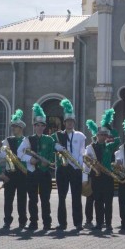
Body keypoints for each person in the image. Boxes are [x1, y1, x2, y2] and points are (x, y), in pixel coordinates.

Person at [53, 99, 87, 231]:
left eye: (72, 121)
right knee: (61, 197)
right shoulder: (57, 136)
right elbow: (53, 148)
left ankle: (78, 223)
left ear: (74, 122)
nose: (70, 123)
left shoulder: (80, 136)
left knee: (76, 197)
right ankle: (62, 223)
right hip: (62, 169)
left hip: (76, 168)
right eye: (67, 121)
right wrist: (56, 147)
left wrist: (77, 163)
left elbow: (82, 151)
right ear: (64, 122)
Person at [21, 103, 55, 231]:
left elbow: (52, 154)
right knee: (32, 199)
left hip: (45, 172)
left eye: (42, 125)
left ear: (45, 127)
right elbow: (20, 154)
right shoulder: (28, 139)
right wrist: (30, 159)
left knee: (45, 199)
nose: (40, 127)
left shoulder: (50, 140)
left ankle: (47, 223)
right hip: (33, 172)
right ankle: (33, 223)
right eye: (37, 125)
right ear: (34, 126)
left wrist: (49, 161)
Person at [87, 109, 120, 233]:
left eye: (105, 135)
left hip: (107, 176)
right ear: (97, 135)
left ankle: (109, 224)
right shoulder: (91, 147)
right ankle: (99, 223)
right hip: (96, 176)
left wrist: (110, 128)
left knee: (108, 202)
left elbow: (118, 140)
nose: (102, 137)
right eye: (101, 134)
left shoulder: (109, 146)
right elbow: (87, 159)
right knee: (98, 202)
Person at [2, 110, 29, 230]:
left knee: (22, 199)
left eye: (15, 127)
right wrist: (6, 154)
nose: (13, 128)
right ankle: (7, 221)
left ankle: (22, 221)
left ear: (21, 128)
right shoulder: (8, 140)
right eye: (13, 126)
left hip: (22, 172)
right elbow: (1, 155)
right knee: (8, 199)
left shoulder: (26, 140)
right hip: (10, 172)